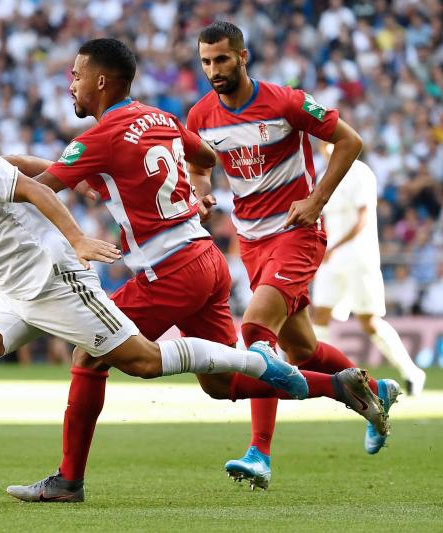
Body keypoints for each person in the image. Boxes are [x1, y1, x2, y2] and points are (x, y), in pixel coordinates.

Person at [0, 103, 360, 498]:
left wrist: (78, 238)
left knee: (144, 362)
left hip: (56, 283)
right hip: (19, 295)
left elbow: (30, 191)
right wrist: (76, 179)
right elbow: (15, 168)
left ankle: (252, 362)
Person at [5, 38, 390, 500]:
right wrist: (201, 187)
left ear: (100, 81)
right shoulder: (161, 117)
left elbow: (38, 189)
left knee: (90, 353)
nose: (71, 84)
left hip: (172, 269)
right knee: (222, 381)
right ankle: (339, 387)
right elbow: (203, 158)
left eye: (76, 75)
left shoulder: (99, 137)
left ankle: (69, 480)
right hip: (208, 260)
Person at [185, 22, 400, 488]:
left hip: (297, 232)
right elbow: (199, 163)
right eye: (205, 61)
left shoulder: (285, 101)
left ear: (243, 57)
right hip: (251, 241)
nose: (213, 70)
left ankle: (259, 454)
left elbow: (351, 140)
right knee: (301, 350)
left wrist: (317, 200)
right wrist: (202, 194)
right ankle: (374, 389)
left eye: (222, 59)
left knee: (257, 335)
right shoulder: (201, 115)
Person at [311, 143, 426, 399]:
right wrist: (324, 246)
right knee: (319, 314)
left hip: (358, 258)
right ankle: (325, 377)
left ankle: (412, 372)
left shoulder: (361, 172)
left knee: (369, 321)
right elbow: (325, 218)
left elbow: (363, 218)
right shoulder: (323, 175)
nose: (325, 147)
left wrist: (335, 246)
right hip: (332, 258)